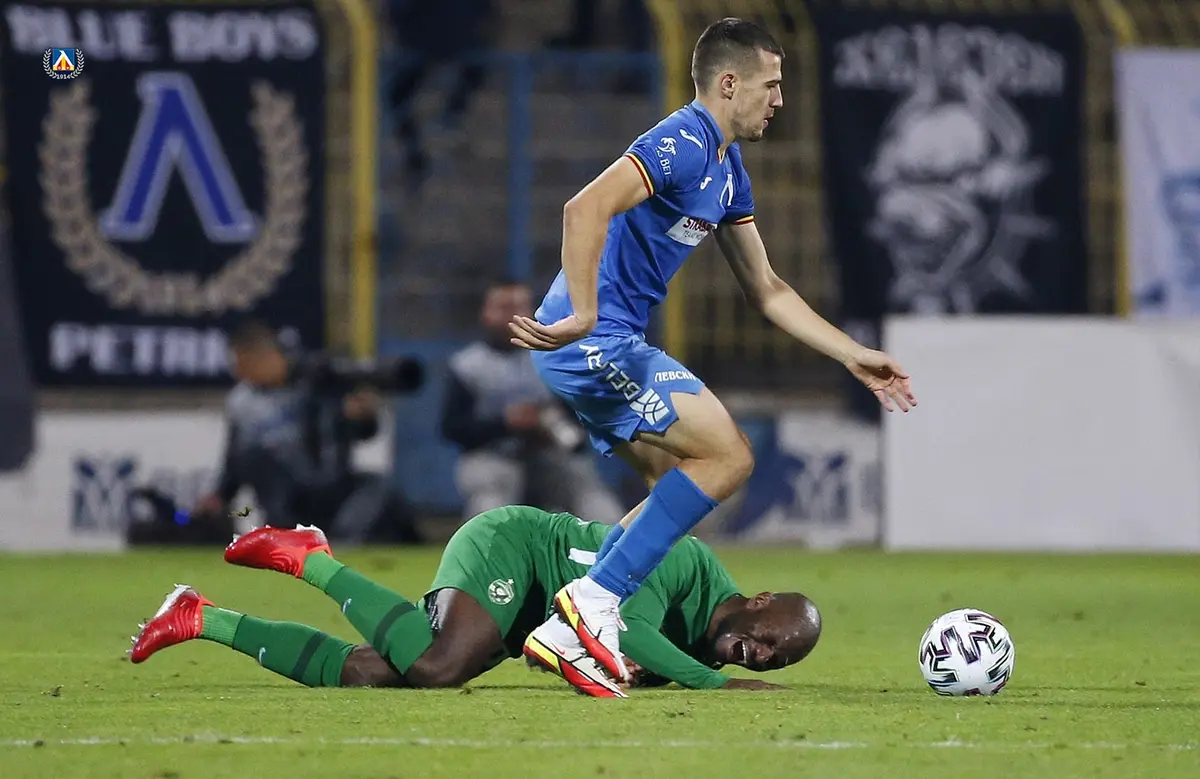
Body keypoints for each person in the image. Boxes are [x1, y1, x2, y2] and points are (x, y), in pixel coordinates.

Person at [507, 18, 917, 690]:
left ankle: (569, 625)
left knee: (671, 482)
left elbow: (767, 288)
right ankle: (593, 602)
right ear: (728, 84)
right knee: (729, 456)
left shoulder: (727, 171)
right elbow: (584, 208)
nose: (779, 99)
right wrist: (582, 312)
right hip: (594, 340)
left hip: (609, 341)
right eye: (770, 84)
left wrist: (851, 354)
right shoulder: (682, 142)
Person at [128, 506, 822, 697]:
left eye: (776, 660)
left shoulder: (698, 652)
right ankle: (311, 557)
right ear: (759, 600)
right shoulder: (687, 562)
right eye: (771, 637)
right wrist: (716, 686)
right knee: (439, 667)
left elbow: (597, 653)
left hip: (527, 612)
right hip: (513, 549)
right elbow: (628, 629)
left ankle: (201, 616)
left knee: (374, 673)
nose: (762, 655)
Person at [192, 321, 421, 544]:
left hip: (328, 483)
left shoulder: (315, 383)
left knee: (379, 487)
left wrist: (361, 417)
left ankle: (345, 541)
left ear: (266, 356)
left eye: (243, 363)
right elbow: (237, 456)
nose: (238, 371)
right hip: (285, 496)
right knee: (261, 459)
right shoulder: (242, 401)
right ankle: (293, 538)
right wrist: (221, 494)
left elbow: (361, 433)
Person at [442, 280, 625, 524]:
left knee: (589, 493)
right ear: (486, 313)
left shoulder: (553, 358)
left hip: (549, 454)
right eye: (503, 307)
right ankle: (488, 548)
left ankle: (614, 546)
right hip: (493, 457)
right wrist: (506, 423)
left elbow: (583, 427)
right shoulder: (468, 364)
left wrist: (552, 422)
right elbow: (452, 428)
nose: (513, 314)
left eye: (520, 306)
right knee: (491, 504)